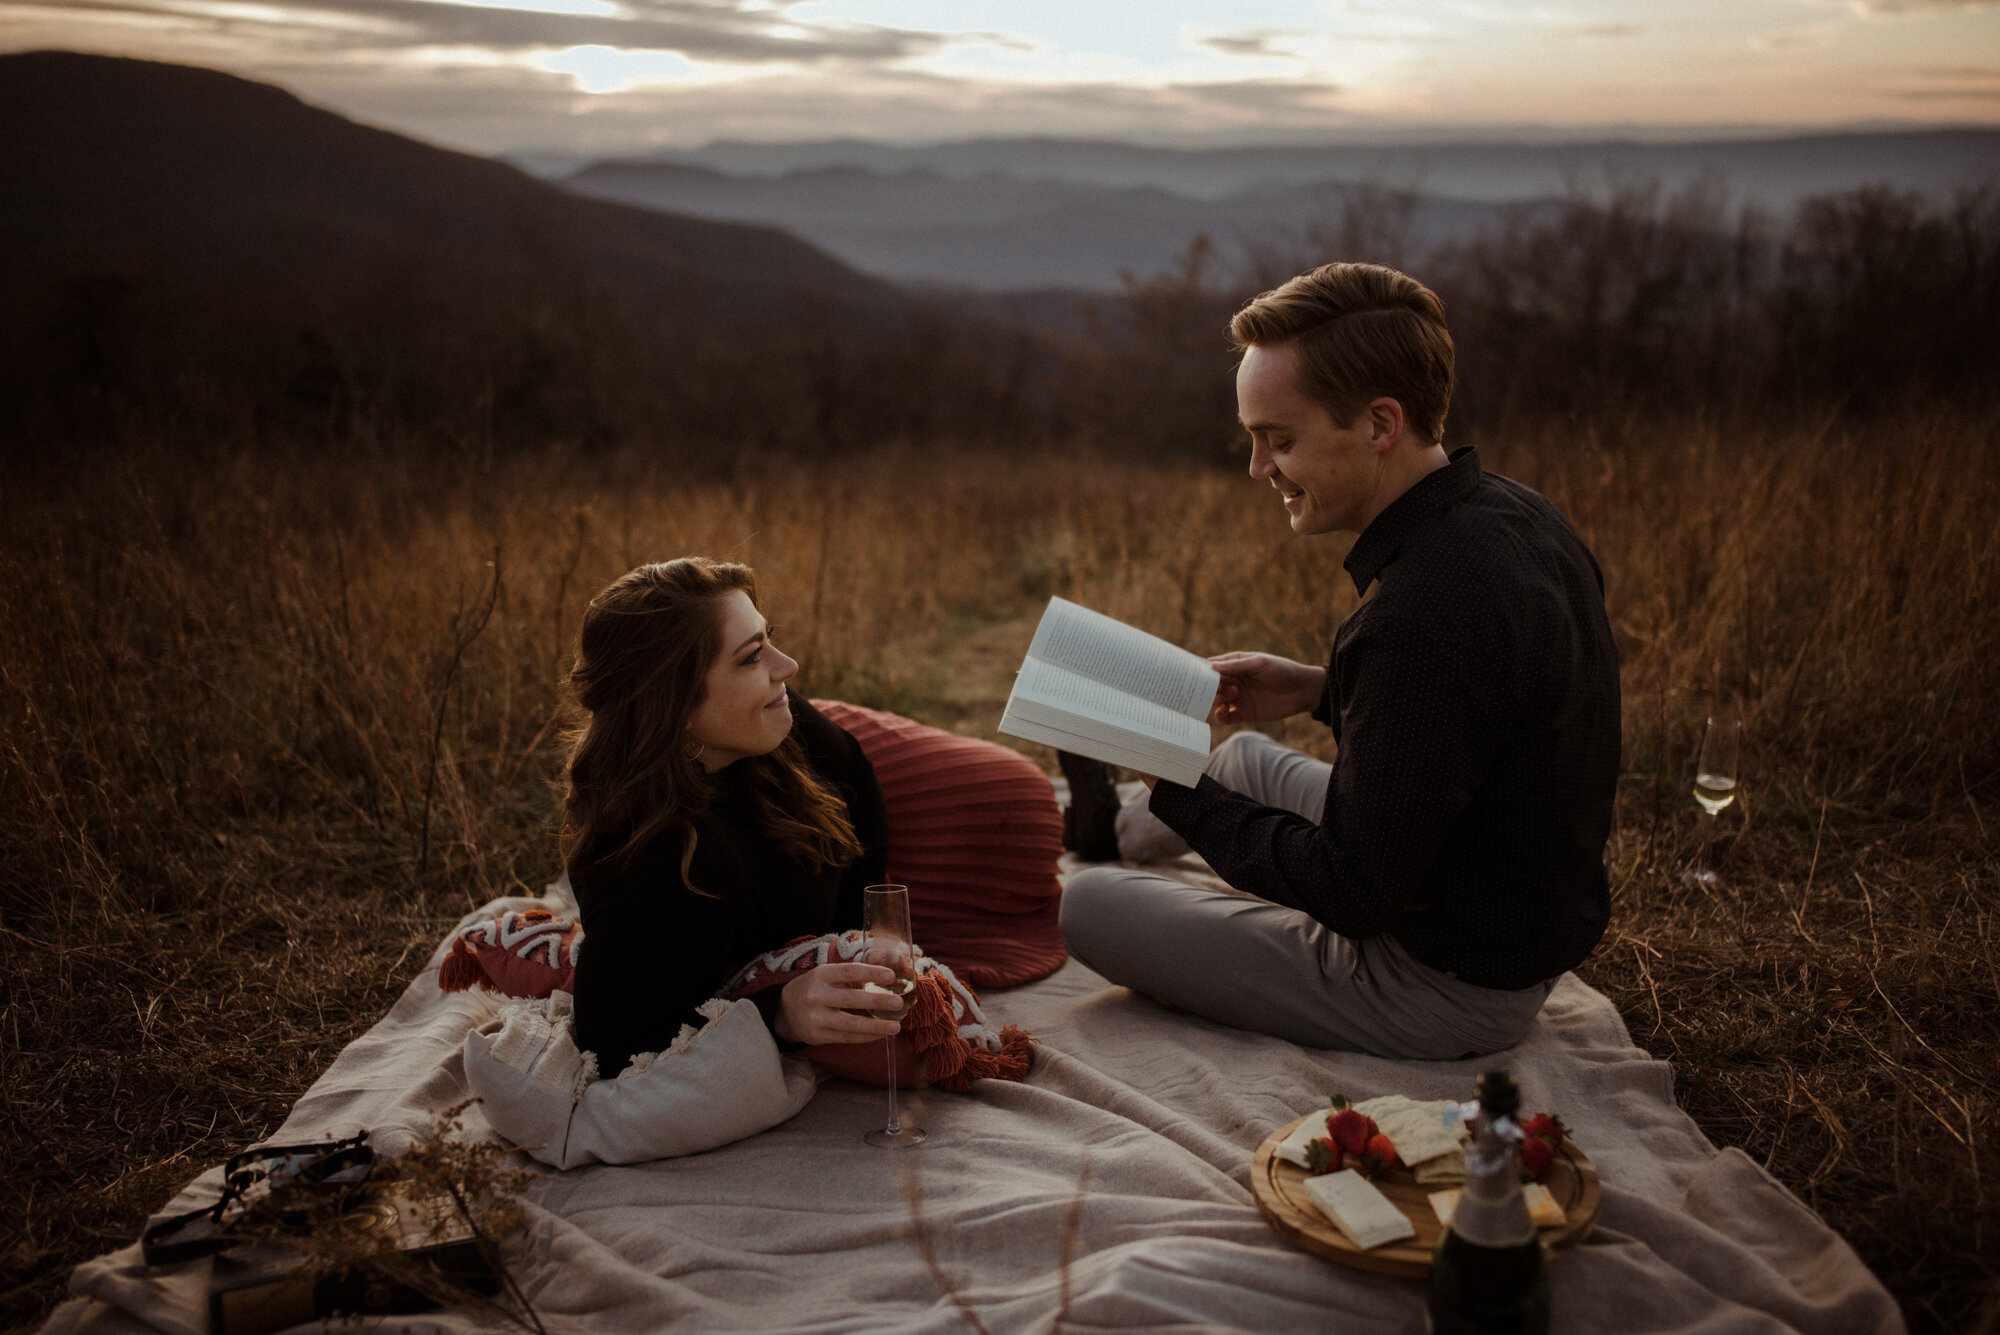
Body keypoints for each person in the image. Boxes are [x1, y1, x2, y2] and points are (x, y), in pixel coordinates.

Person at [1057, 262, 1620, 1061]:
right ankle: (1105, 823)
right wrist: (1322, 690)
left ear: (1380, 423)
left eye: (1278, 439)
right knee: (1248, 756)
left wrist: (1176, 789)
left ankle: (1114, 834)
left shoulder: (1415, 617)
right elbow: (1488, 714)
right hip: (1493, 894)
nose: (1258, 468)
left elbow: (1352, 892)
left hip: (1440, 984)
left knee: (1089, 906)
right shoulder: (1519, 514)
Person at [560, 557, 902, 1076]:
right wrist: (780, 1016)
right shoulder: (657, 862)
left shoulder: (772, 727)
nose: (786, 666)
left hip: (906, 776)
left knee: (1008, 795)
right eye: (751, 658)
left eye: (769, 640)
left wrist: (855, 932)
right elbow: (613, 1045)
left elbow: (857, 772)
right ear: (671, 701)